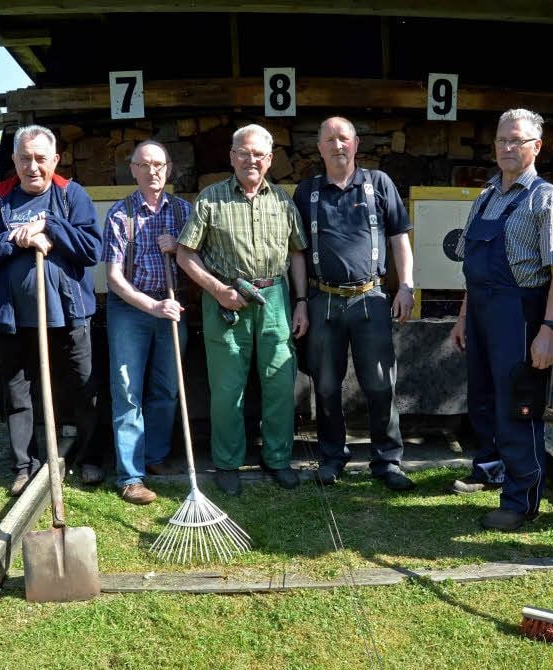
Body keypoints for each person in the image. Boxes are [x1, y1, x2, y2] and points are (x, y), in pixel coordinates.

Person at [448, 108, 553, 531]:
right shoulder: (487, 195)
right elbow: (472, 264)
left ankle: (521, 500)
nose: (507, 147)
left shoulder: (547, 200)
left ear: (536, 146)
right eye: (502, 140)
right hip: (483, 314)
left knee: (518, 406)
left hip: (521, 315)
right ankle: (489, 469)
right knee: (484, 398)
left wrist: (549, 331)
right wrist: (464, 316)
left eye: (517, 141)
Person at [0, 125, 102, 497]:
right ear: (14, 160)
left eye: (41, 158)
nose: (33, 166)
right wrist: (14, 237)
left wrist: (50, 226)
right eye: (25, 158)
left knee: (82, 386)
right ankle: (24, 466)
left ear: (55, 160)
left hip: (70, 314)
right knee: (18, 393)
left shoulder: (71, 195)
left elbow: (91, 249)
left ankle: (89, 458)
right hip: (13, 318)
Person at [176, 124, 308, 495]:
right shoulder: (210, 199)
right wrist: (218, 290)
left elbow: (297, 252)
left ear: (269, 159)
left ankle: (278, 459)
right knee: (227, 389)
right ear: (232, 157)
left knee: (280, 385)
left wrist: (301, 302)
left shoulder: (283, 200)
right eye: (244, 153)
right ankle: (228, 462)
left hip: (277, 300)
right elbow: (186, 254)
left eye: (259, 154)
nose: (251, 160)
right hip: (226, 302)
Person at [292, 116, 416, 491]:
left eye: (343, 138)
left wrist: (407, 285)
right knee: (326, 386)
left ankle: (387, 461)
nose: (337, 145)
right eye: (329, 139)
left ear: (356, 143)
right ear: (319, 148)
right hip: (323, 300)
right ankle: (332, 456)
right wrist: (300, 300)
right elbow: (296, 252)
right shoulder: (306, 192)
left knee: (380, 385)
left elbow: (398, 238)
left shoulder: (379, 183)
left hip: (370, 298)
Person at [102, 140, 191, 505]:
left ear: (168, 168)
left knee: (167, 388)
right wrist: (151, 306)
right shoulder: (120, 215)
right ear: (133, 169)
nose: (152, 171)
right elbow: (113, 278)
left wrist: (180, 248)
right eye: (144, 164)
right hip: (131, 310)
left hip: (171, 308)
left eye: (159, 164)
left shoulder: (184, 211)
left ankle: (154, 457)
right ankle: (130, 476)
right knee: (127, 391)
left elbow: (203, 259)